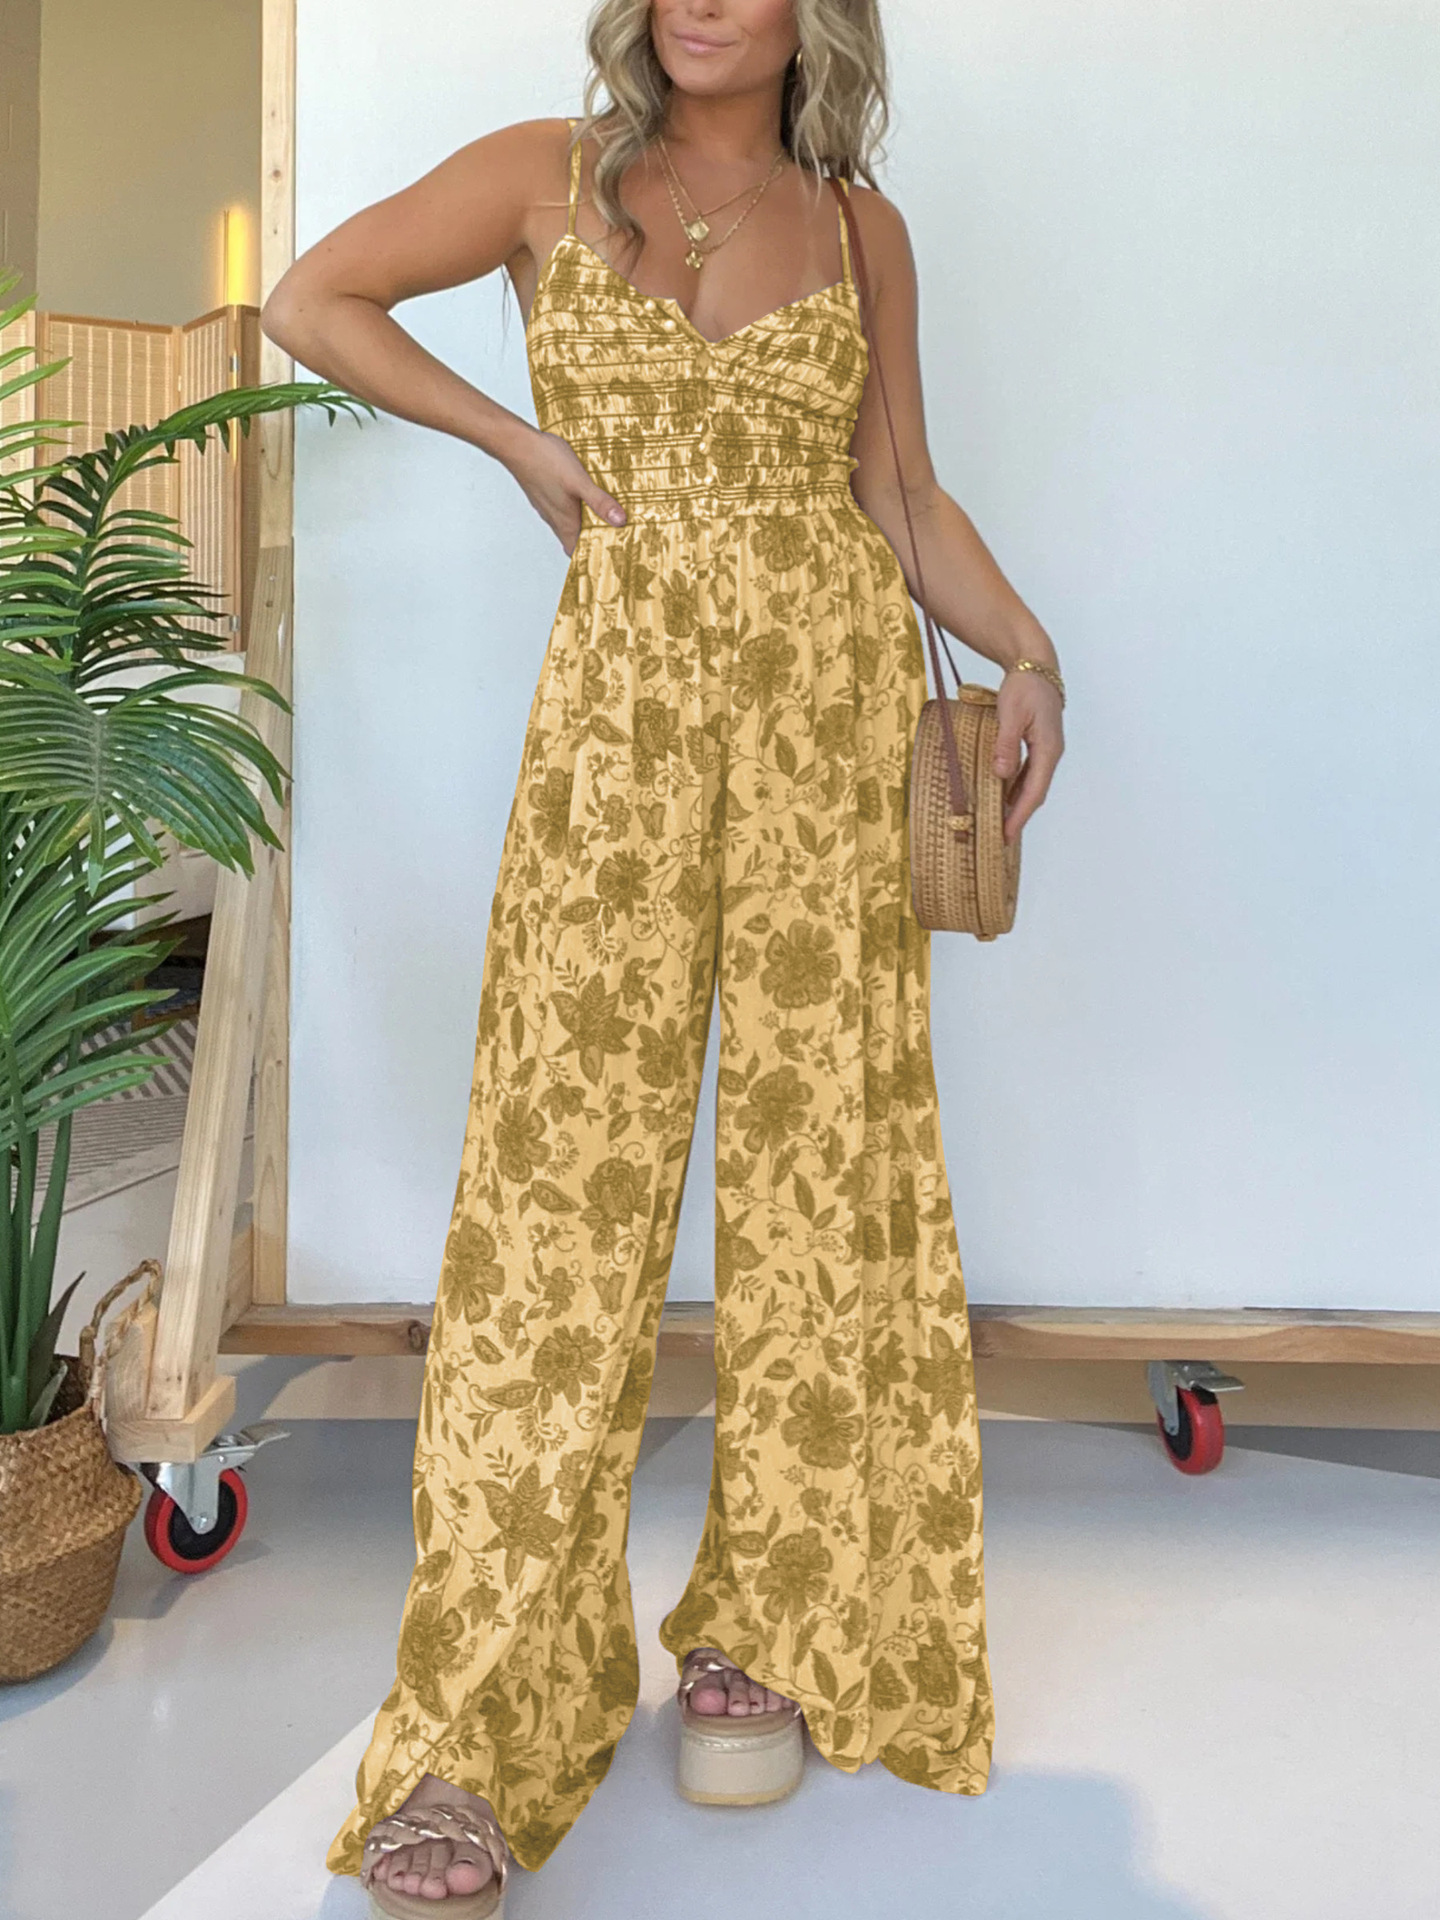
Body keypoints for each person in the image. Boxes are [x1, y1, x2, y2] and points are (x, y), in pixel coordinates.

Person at [262, 0, 1064, 1910]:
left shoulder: (860, 226)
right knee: (553, 1207)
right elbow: (311, 300)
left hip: (825, 735)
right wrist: (512, 442)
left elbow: (899, 498)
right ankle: (479, 1720)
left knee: (822, 1175)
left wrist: (1029, 652)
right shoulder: (542, 178)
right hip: (615, 737)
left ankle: (776, 1621)